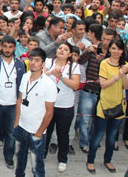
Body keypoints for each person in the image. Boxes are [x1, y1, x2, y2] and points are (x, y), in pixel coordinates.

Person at [86, 38, 128, 174]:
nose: (116, 51)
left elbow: (126, 86)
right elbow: (103, 84)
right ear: (109, 49)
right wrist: (118, 75)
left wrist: (124, 74)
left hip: (119, 106)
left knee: (111, 137)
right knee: (97, 136)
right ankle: (90, 160)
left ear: (123, 51)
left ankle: (107, 160)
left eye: (119, 49)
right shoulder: (104, 63)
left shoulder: (125, 65)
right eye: (113, 48)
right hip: (104, 105)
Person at [14, 48, 57, 177]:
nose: (33, 62)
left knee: (37, 166)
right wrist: (16, 123)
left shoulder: (49, 84)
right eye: (31, 59)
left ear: (43, 64)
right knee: (20, 160)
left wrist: (39, 133)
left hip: (36, 131)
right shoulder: (25, 76)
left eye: (37, 60)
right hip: (21, 127)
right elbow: (20, 99)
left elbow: (49, 113)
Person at [0, 36, 26, 169]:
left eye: (10, 47)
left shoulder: (20, 64)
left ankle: (9, 157)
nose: (7, 50)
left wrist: (20, 104)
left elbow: (22, 86)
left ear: (14, 48)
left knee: (11, 133)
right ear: (0, 46)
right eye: (5, 46)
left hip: (13, 105)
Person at [43, 42, 80, 172]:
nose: (62, 51)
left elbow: (75, 85)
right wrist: (51, 72)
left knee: (63, 133)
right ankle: (42, 154)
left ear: (69, 54)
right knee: (45, 132)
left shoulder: (74, 66)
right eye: (60, 48)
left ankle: (63, 159)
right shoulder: (48, 61)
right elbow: (40, 77)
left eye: (65, 49)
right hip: (48, 104)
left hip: (65, 105)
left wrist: (61, 77)